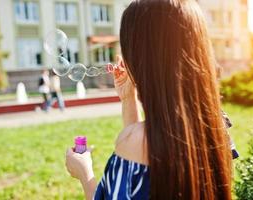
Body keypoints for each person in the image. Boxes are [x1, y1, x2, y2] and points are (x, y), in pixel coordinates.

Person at [66, 0, 232, 199]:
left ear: (142, 57)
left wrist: (85, 173)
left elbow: (137, 149)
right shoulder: (216, 125)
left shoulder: (136, 143)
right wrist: (129, 99)